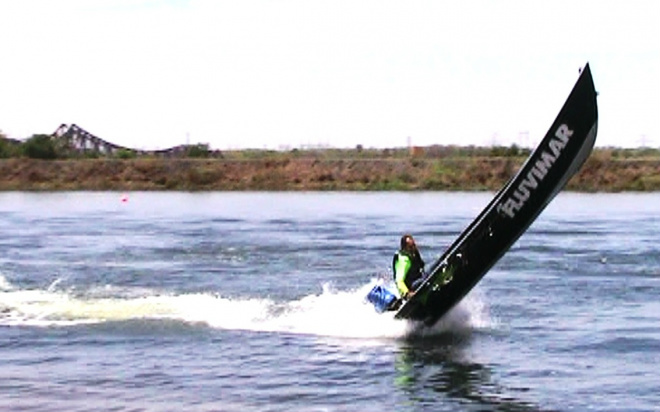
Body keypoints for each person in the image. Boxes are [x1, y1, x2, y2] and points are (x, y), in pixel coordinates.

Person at [392, 234, 426, 300]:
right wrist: (407, 293)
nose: (413, 248)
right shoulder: (403, 260)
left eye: (414, 245)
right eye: (410, 247)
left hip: (417, 279)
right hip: (410, 287)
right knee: (425, 280)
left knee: (436, 265)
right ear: (404, 248)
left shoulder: (414, 254)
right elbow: (399, 280)